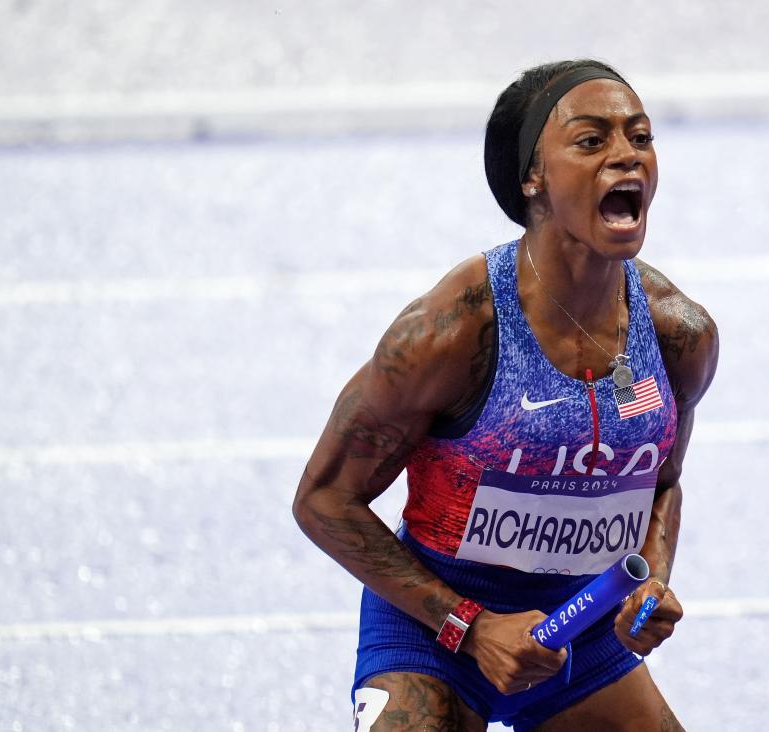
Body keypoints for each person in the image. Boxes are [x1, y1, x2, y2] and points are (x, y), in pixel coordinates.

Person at [294, 58, 718, 731]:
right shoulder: (452, 331)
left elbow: (662, 483)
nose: (626, 157)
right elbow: (322, 500)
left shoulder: (677, 337)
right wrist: (469, 625)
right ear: (534, 179)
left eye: (640, 137)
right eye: (591, 141)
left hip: (580, 629)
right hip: (435, 631)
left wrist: (648, 583)